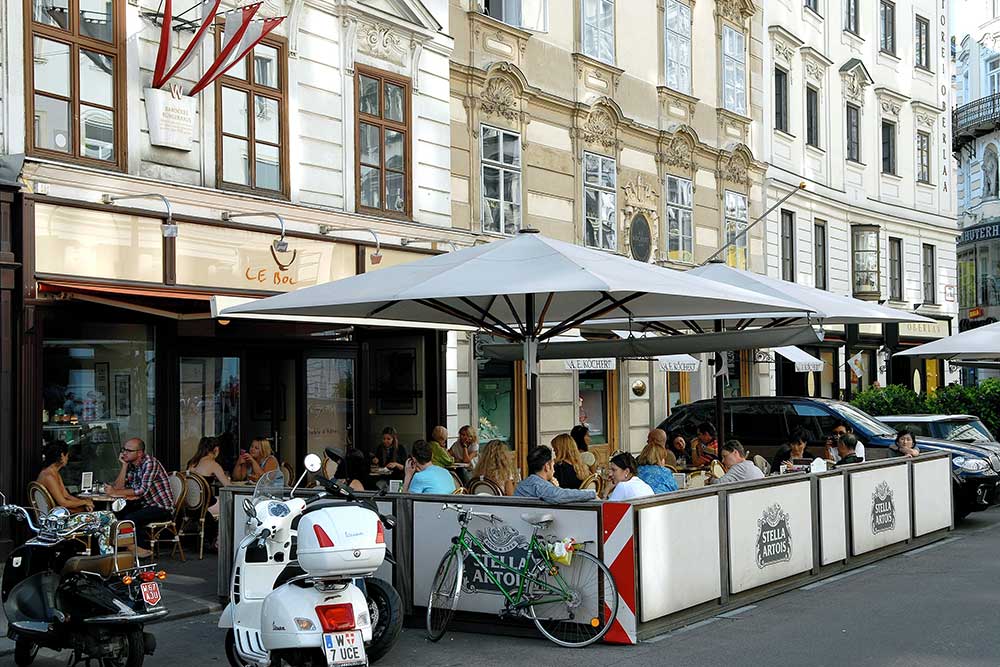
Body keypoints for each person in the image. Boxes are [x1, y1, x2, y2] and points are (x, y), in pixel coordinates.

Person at [106, 438, 174, 556]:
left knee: (131, 517)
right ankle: (124, 546)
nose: (124, 453)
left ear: (140, 453)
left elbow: (142, 490)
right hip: (144, 504)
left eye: (128, 450)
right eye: (123, 450)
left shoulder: (150, 463)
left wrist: (116, 492)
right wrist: (124, 466)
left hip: (161, 507)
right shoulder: (132, 465)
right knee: (117, 512)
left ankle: (141, 549)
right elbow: (119, 487)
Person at [515, 446, 597, 503]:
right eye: (552, 464)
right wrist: (591, 493)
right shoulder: (539, 485)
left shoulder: (523, 484)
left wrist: (554, 486)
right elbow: (559, 495)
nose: (554, 469)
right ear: (547, 466)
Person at [37, 440, 94, 513]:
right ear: (62, 455)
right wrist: (85, 502)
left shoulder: (54, 472)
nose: (67, 458)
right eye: (67, 455)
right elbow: (63, 503)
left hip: (59, 512)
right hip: (55, 517)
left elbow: (66, 495)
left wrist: (85, 502)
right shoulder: (48, 476)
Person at [186, 436, 231, 527]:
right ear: (216, 449)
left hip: (189, 504)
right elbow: (228, 485)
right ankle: (221, 538)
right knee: (230, 503)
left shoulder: (191, 463)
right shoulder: (213, 464)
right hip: (205, 505)